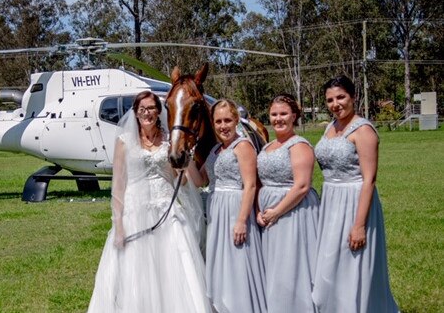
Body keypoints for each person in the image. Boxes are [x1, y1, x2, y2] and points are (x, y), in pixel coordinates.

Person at [87, 91, 210, 313]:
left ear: (159, 111)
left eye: (151, 108)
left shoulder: (168, 142)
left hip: (166, 211)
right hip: (135, 213)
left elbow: (179, 182)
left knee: (173, 266)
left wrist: (184, 168)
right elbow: (118, 186)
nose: (147, 113)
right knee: (137, 271)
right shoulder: (124, 142)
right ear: (135, 113)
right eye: (142, 109)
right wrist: (119, 225)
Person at [312, 75, 399, 312]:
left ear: (353, 97)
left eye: (341, 97)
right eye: (330, 100)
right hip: (330, 201)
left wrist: (359, 224)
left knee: (351, 264)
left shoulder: (363, 130)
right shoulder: (331, 127)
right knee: (329, 265)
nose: (335, 104)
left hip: (354, 202)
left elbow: (369, 179)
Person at [188, 99, 267, 313]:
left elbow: (250, 185)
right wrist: (185, 160)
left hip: (235, 210)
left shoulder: (243, 146)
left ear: (235, 121)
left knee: (237, 264)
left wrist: (242, 221)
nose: (223, 126)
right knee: (220, 263)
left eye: (227, 120)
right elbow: (200, 181)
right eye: (218, 121)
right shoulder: (215, 150)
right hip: (216, 212)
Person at [256, 94, 319, 313]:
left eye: (283, 114)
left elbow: (302, 185)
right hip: (269, 216)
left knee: (291, 266)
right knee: (274, 268)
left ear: (294, 116)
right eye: (274, 114)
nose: (278, 119)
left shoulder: (299, 145)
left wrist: (276, 212)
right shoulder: (268, 146)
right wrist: (259, 211)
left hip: (293, 213)